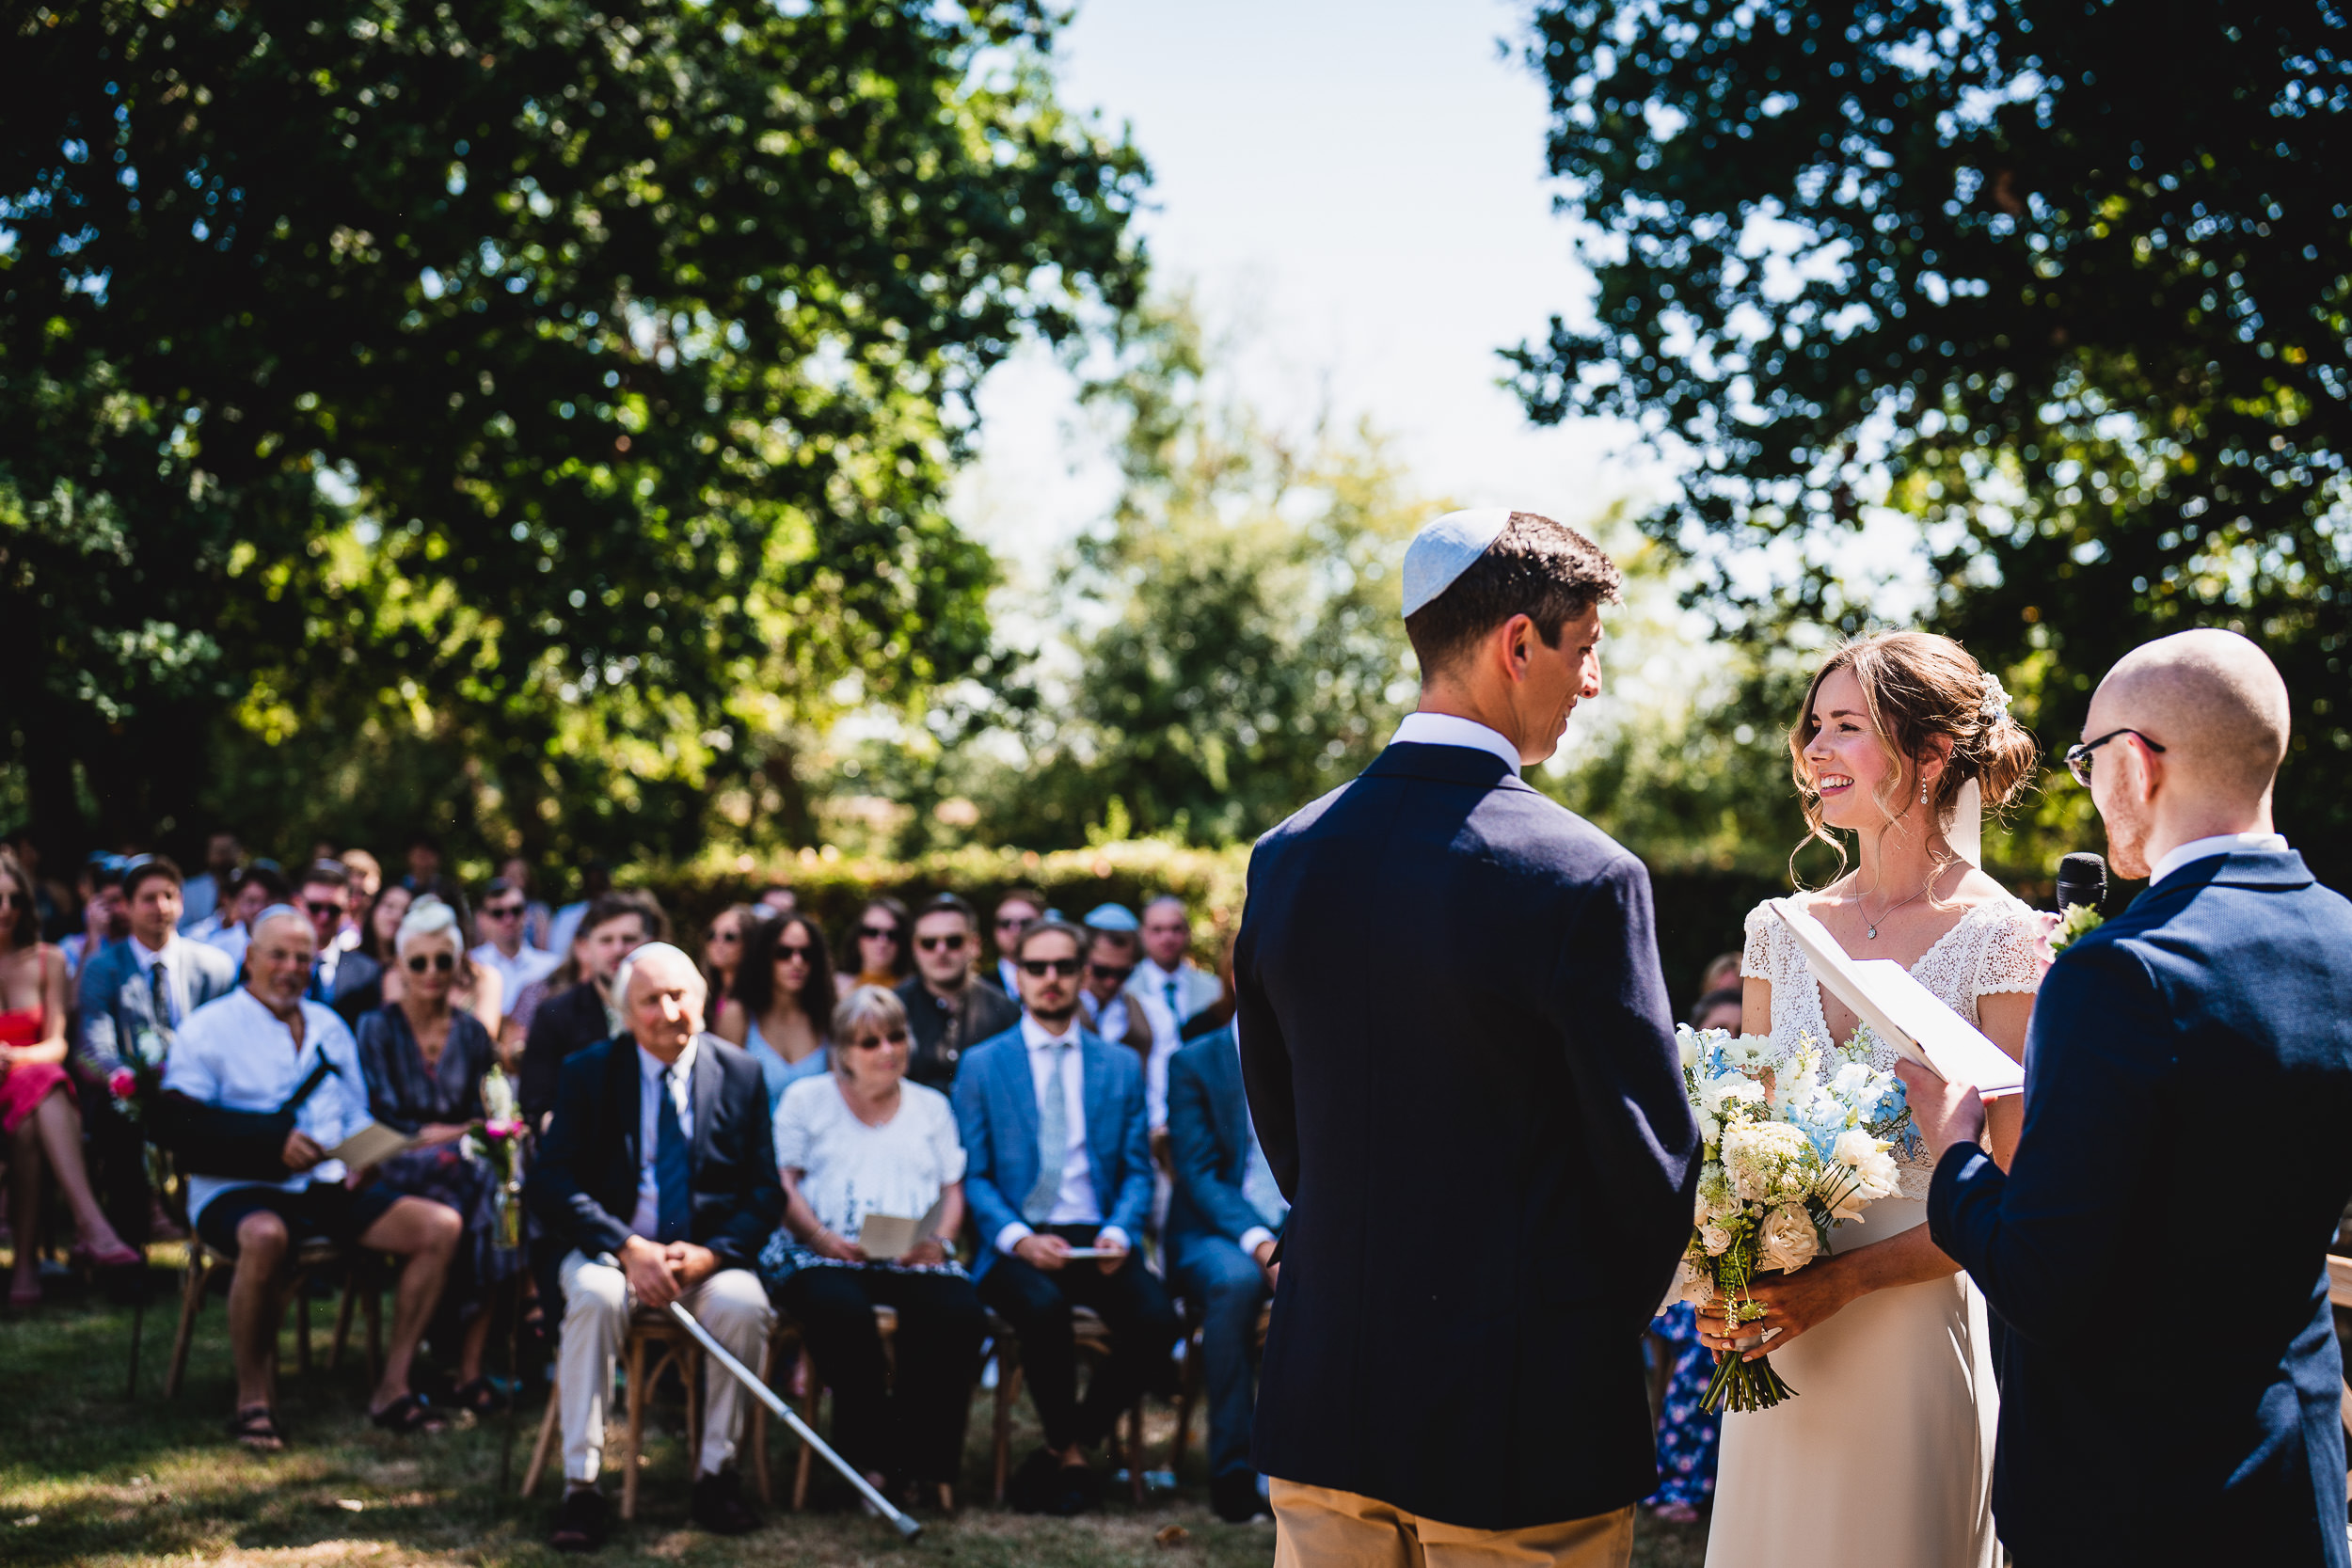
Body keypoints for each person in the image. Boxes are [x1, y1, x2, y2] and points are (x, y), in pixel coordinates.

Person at [1236, 509, 1699, 1566]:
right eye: (1584, 650)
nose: (1590, 683)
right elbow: (1645, 1164)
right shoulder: (1581, 874)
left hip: (1325, 1388)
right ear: (1518, 644)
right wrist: (1579, 1331)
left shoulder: (1286, 855)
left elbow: (1288, 1125)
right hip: (1517, 1414)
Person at [1909, 629, 2352, 1567]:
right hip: (2293, 1474)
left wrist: (1955, 1158)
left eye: (2086, 760)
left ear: (2135, 766)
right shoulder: (2342, 938)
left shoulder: (2119, 972)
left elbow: (2042, 1277)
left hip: (2131, 1497)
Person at [1699, 632, 2046, 1568]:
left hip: (1912, 1339)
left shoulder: (2006, 942)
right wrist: (1720, 1267)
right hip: (1782, 1345)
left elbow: (2009, 1194)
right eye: (1814, 725)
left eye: (1845, 726)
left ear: (1929, 756)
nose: (1813, 748)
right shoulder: (1777, 931)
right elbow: (1743, 1146)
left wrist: (1841, 1282)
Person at [162, 905, 464, 1446]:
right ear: (250, 957)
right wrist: (269, 1144)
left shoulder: (330, 1025)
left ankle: (392, 1386)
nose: (290, 968)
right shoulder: (208, 1030)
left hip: (328, 1185)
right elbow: (179, 1126)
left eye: (303, 957)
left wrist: (366, 1153)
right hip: (238, 1190)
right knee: (265, 1235)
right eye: (277, 954)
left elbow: (354, 1114)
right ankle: (254, 1398)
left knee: (439, 1227)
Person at [525, 942, 782, 1550]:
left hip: (705, 1255)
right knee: (591, 1295)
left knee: (744, 1303)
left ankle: (716, 1472)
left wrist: (711, 1255)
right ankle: (581, 1483)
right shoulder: (588, 1071)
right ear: (625, 1010)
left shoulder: (741, 1074)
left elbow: (765, 1191)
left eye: (680, 995)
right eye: (651, 1000)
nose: (668, 1011)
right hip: (611, 1251)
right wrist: (626, 1245)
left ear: (703, 1001)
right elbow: (553, 1181)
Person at [952, 917, 1177, 1516]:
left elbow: (1136, 1170)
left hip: (1095, 1237)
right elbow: (972, 1173)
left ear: (1082, 976)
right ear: (1018, 976)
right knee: (1044, 1308)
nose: (1050, 979)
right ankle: (1075, 1457)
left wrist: (1121, 1231)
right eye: (1037, 968)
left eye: (1063, 967)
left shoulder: (1119, 1066)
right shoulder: (981, 1064)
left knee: (1158, 1319)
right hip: (1014, 1242)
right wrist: (1019, 1238)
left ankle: (1066, 1445)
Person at [756, 986, 984, 1505]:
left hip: (911, 1255)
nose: (887, 1050)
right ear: (842, 1050)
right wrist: (819, 1235)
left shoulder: (931, 1106)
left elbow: (953, 1188)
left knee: (960, 1314)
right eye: (869, 1041)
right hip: (820, 1250)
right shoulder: (806, 1099)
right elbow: (782, 1182)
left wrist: (940, 1244)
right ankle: (873, 1462)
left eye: (896, 1036)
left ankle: (921, 1462)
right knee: (840, 1311)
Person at [354, 896, 522, 1413]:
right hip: (391, 1168)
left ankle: (468, 1364)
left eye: (443, 962)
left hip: (458, 1168)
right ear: (400, 967)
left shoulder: (471, 1033)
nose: (431, 973)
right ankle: (440, 1364)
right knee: (481, 1190)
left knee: (500, 1193)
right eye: (419, 962)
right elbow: (385, 1122)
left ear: (457, 967)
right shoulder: (376, 1028)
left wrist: (452, 1132)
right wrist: (453, 1132)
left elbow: (486, 1114)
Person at [1, 848, 143, 1303]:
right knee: (44, 1085)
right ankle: (89, 1225)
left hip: (27, 1082)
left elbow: (59, 1043)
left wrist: (13, 1057)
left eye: (15, 900)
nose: (5, 910)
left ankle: (26, 1268)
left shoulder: (48, 959)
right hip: (32, 1086)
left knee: (29, 1120)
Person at [75, 855, 239, 1246]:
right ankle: (131, 1252)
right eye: (149, 898)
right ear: (128, 907)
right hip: (132, 1097)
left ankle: (223, 1246)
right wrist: (130, 1084)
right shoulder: (105, 968)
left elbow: (231, 1039)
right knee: (118, 1129)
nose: (161, 907)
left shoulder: (215, 967)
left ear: (181, 902)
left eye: (169, 896)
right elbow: (95, 1043)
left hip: (201, 1097)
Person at [1166, 1013, 1287, 1524]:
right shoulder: (1195, 1060)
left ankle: (1317, 1465)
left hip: (1299, 1223)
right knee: (1236, 1283)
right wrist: (1263, 1244)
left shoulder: (1317, 1048)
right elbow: (1198, 1171)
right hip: (1211, 1230)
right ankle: (1234, 1472)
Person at [1644, 986, 1742, 1527]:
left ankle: (1711, 1478)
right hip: (1688, 1267)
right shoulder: (1677, 1097)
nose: (1725, 1041)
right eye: (1715, 1031)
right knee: (1698, 1341)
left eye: (1737, 1029)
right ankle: (1682, 1480)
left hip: (1740, 1256)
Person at [520, 890, 661, 1127]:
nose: (618, 949)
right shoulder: (555, 1015)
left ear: (648, 943)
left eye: (629, 939)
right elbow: (537, 1104)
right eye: (606, 940)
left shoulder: (670, 1010)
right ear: (584, 948)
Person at [895, 894, 1019, 1092]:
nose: (941, 950)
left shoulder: (1005, 1011)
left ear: (975, 945)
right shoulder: (894, 1009)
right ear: (914, 948)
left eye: (954, 941)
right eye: (929, 942)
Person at [713, 914, 834, 1115]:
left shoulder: (826, 1018)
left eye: (807, 953)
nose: (797, 962)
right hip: (756, 1143)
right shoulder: (738, 1016)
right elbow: (723, 1098)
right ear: (764, 957)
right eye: (783, 953)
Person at [295, 861, 381, 1013]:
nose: (324, 917)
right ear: (299, 904)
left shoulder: (367, 973)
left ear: (347, 909)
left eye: (334, 909)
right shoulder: (273, 964)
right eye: (315, 907)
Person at [472, 878, 561, 1016]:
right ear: (482, 919)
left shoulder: (552, 967)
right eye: (498, 913)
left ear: (527, 914)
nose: (508, 919)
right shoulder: (471, 964)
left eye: (516, 910)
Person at [1076, 916, 1155, 1067]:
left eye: (1122, 973)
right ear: (1082, 960)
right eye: (1101, 971)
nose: (1110, 982)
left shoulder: (1153, 1013)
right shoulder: (1059, 1010)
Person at [1137, 896, 1220, 1037]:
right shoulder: (1126, 988)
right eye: (1157, 930)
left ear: (1188, 932)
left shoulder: (1215, 990)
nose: (1167, 938)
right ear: (1142, 934)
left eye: (1176, 929)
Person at [199, 863, 290, 971]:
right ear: (237, 901)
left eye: (268, 901)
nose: (259, 909)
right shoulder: (216, 949)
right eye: (251, 901)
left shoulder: (294, 949)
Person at [60, 853, 128, 982]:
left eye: (127, 899)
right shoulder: (70, 949)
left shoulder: (146, 945)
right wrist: (94, 936)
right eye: (114, 901)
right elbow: (76, 1000)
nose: (122, 909)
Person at [543, 859, 612, 961]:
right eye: (592, 883)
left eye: (599, 883)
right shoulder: (566, 915)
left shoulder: (619, 915)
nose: (595, 887)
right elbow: (557, 951)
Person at [840, 895, 912, 992]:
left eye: (892, 935)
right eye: (872, 932)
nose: (882, 941)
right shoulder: (835, 987)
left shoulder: (915, 992)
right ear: (857, 936)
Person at [981, 888, 1044, 996]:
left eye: (1025, 923)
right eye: (1005, 923)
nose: (1015, 930)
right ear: (995, 930)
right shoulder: (980, 986)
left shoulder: (1061, 979)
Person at [179, 831, 243, 934]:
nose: (223, 856)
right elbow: (180, 929)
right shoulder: (190, 889)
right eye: (218, 851)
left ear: (239, 852)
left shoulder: (252, 887)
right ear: (208, 854)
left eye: (227, 850)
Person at [700, 903, 758, 1001]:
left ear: (749, 942)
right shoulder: (704, 994)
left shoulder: (758, 999)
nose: (717, 943)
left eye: (729, 937)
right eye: (711, 935)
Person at [498, 856, 555, 951]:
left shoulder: (539, 910)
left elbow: (543, 949)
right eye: (510, 874)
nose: (513, 879)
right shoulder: (488, 909)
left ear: (528, 879)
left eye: (520, 875)